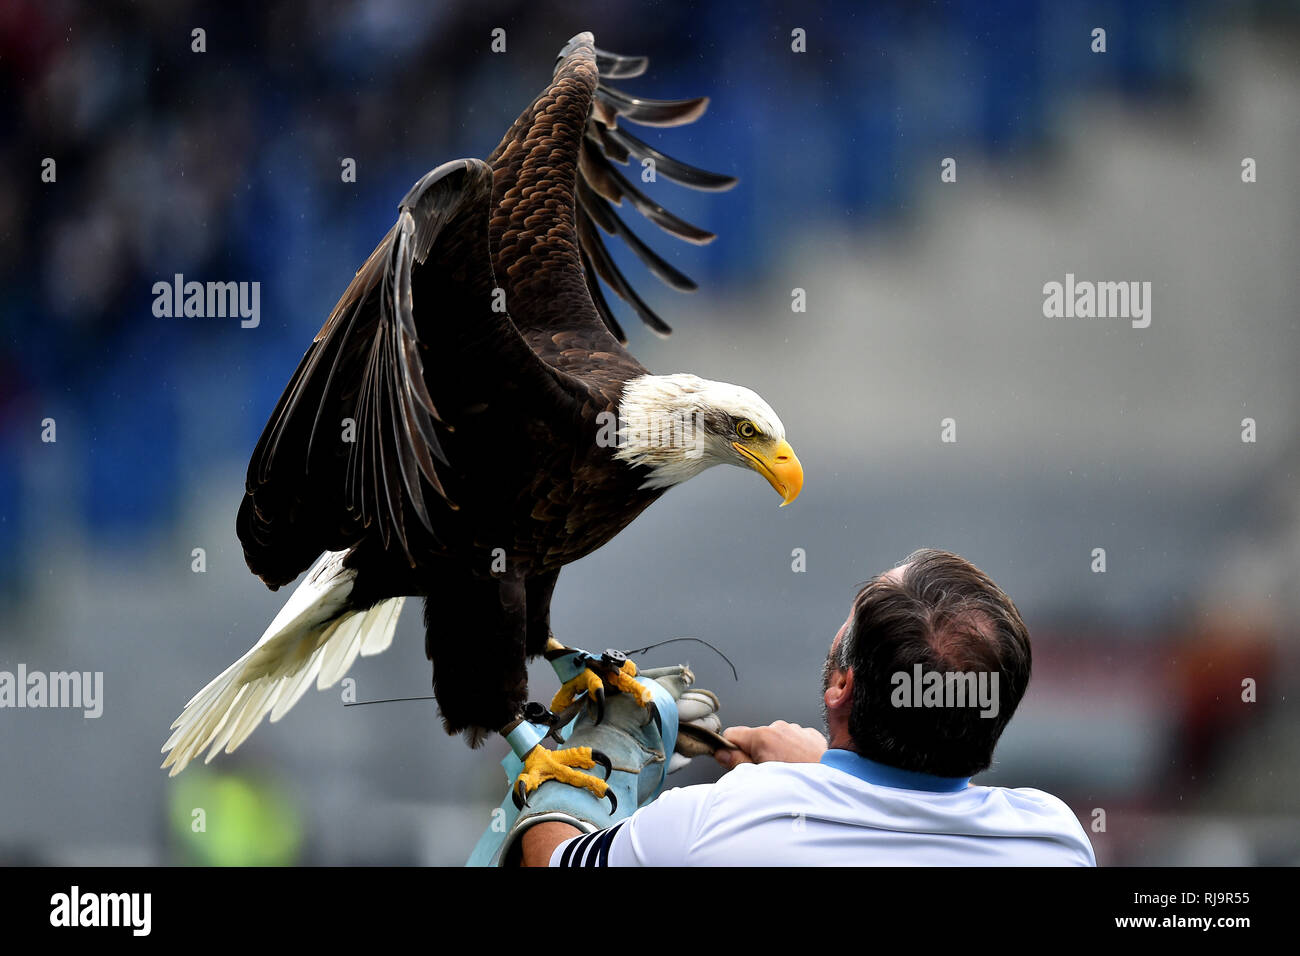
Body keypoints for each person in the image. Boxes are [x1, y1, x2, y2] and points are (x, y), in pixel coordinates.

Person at [518, 548, 1096, 866]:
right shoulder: (1054, 841)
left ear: (842, 686)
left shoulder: (714, 824)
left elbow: (551, 860)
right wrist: (817, 776)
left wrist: (584, 766)